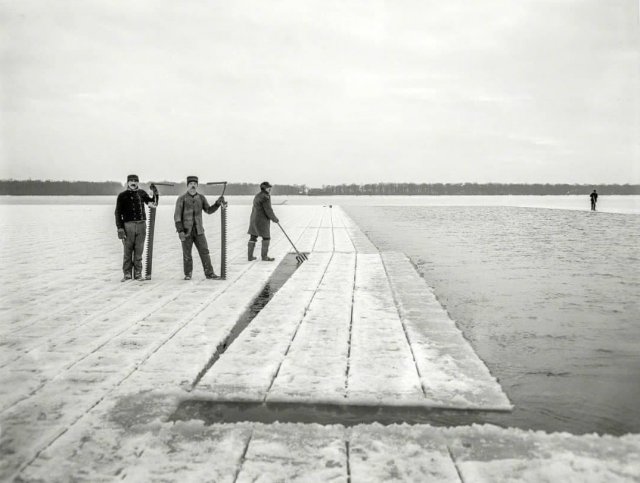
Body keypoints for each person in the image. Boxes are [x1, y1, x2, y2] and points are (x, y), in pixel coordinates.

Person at [174, 176, 225, 280]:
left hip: (199, 231)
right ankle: (188, 274)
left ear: (197, 185)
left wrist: (217, 204)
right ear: (187, 185)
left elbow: (209, 210)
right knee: (187, 254)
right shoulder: (181, 199)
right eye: (191, 184)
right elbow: (177, 216)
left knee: (204, 252)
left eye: (195, 183)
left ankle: (209, 273)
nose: (193, 185)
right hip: (186, 231)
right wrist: (180, 231)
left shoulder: (201, 198)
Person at [114, 174, 158, 281]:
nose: (133, 183)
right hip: (128, 226)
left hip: (141, 225)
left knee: (139, 251)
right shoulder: (122, 196)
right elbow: (117, 213)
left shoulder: (141, 193)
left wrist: (155, 193)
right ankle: (127, 273)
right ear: (128, 182)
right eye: (131, 181)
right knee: (127, 252)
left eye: (135, 181)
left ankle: (138, 273)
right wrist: (120, 228)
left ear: (138, 182)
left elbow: (153, 204)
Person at [248, 181, 279, 261]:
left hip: (254, 219)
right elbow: (268, 210)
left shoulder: (257, 196)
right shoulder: (265, 197)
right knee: (266, 238)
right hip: (262, 220)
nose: (270, 189)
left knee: (253, 236)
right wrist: (274, 219)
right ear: (264, 188)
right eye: (269, 188)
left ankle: (250, 256)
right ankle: (264, 257)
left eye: (270, 188)